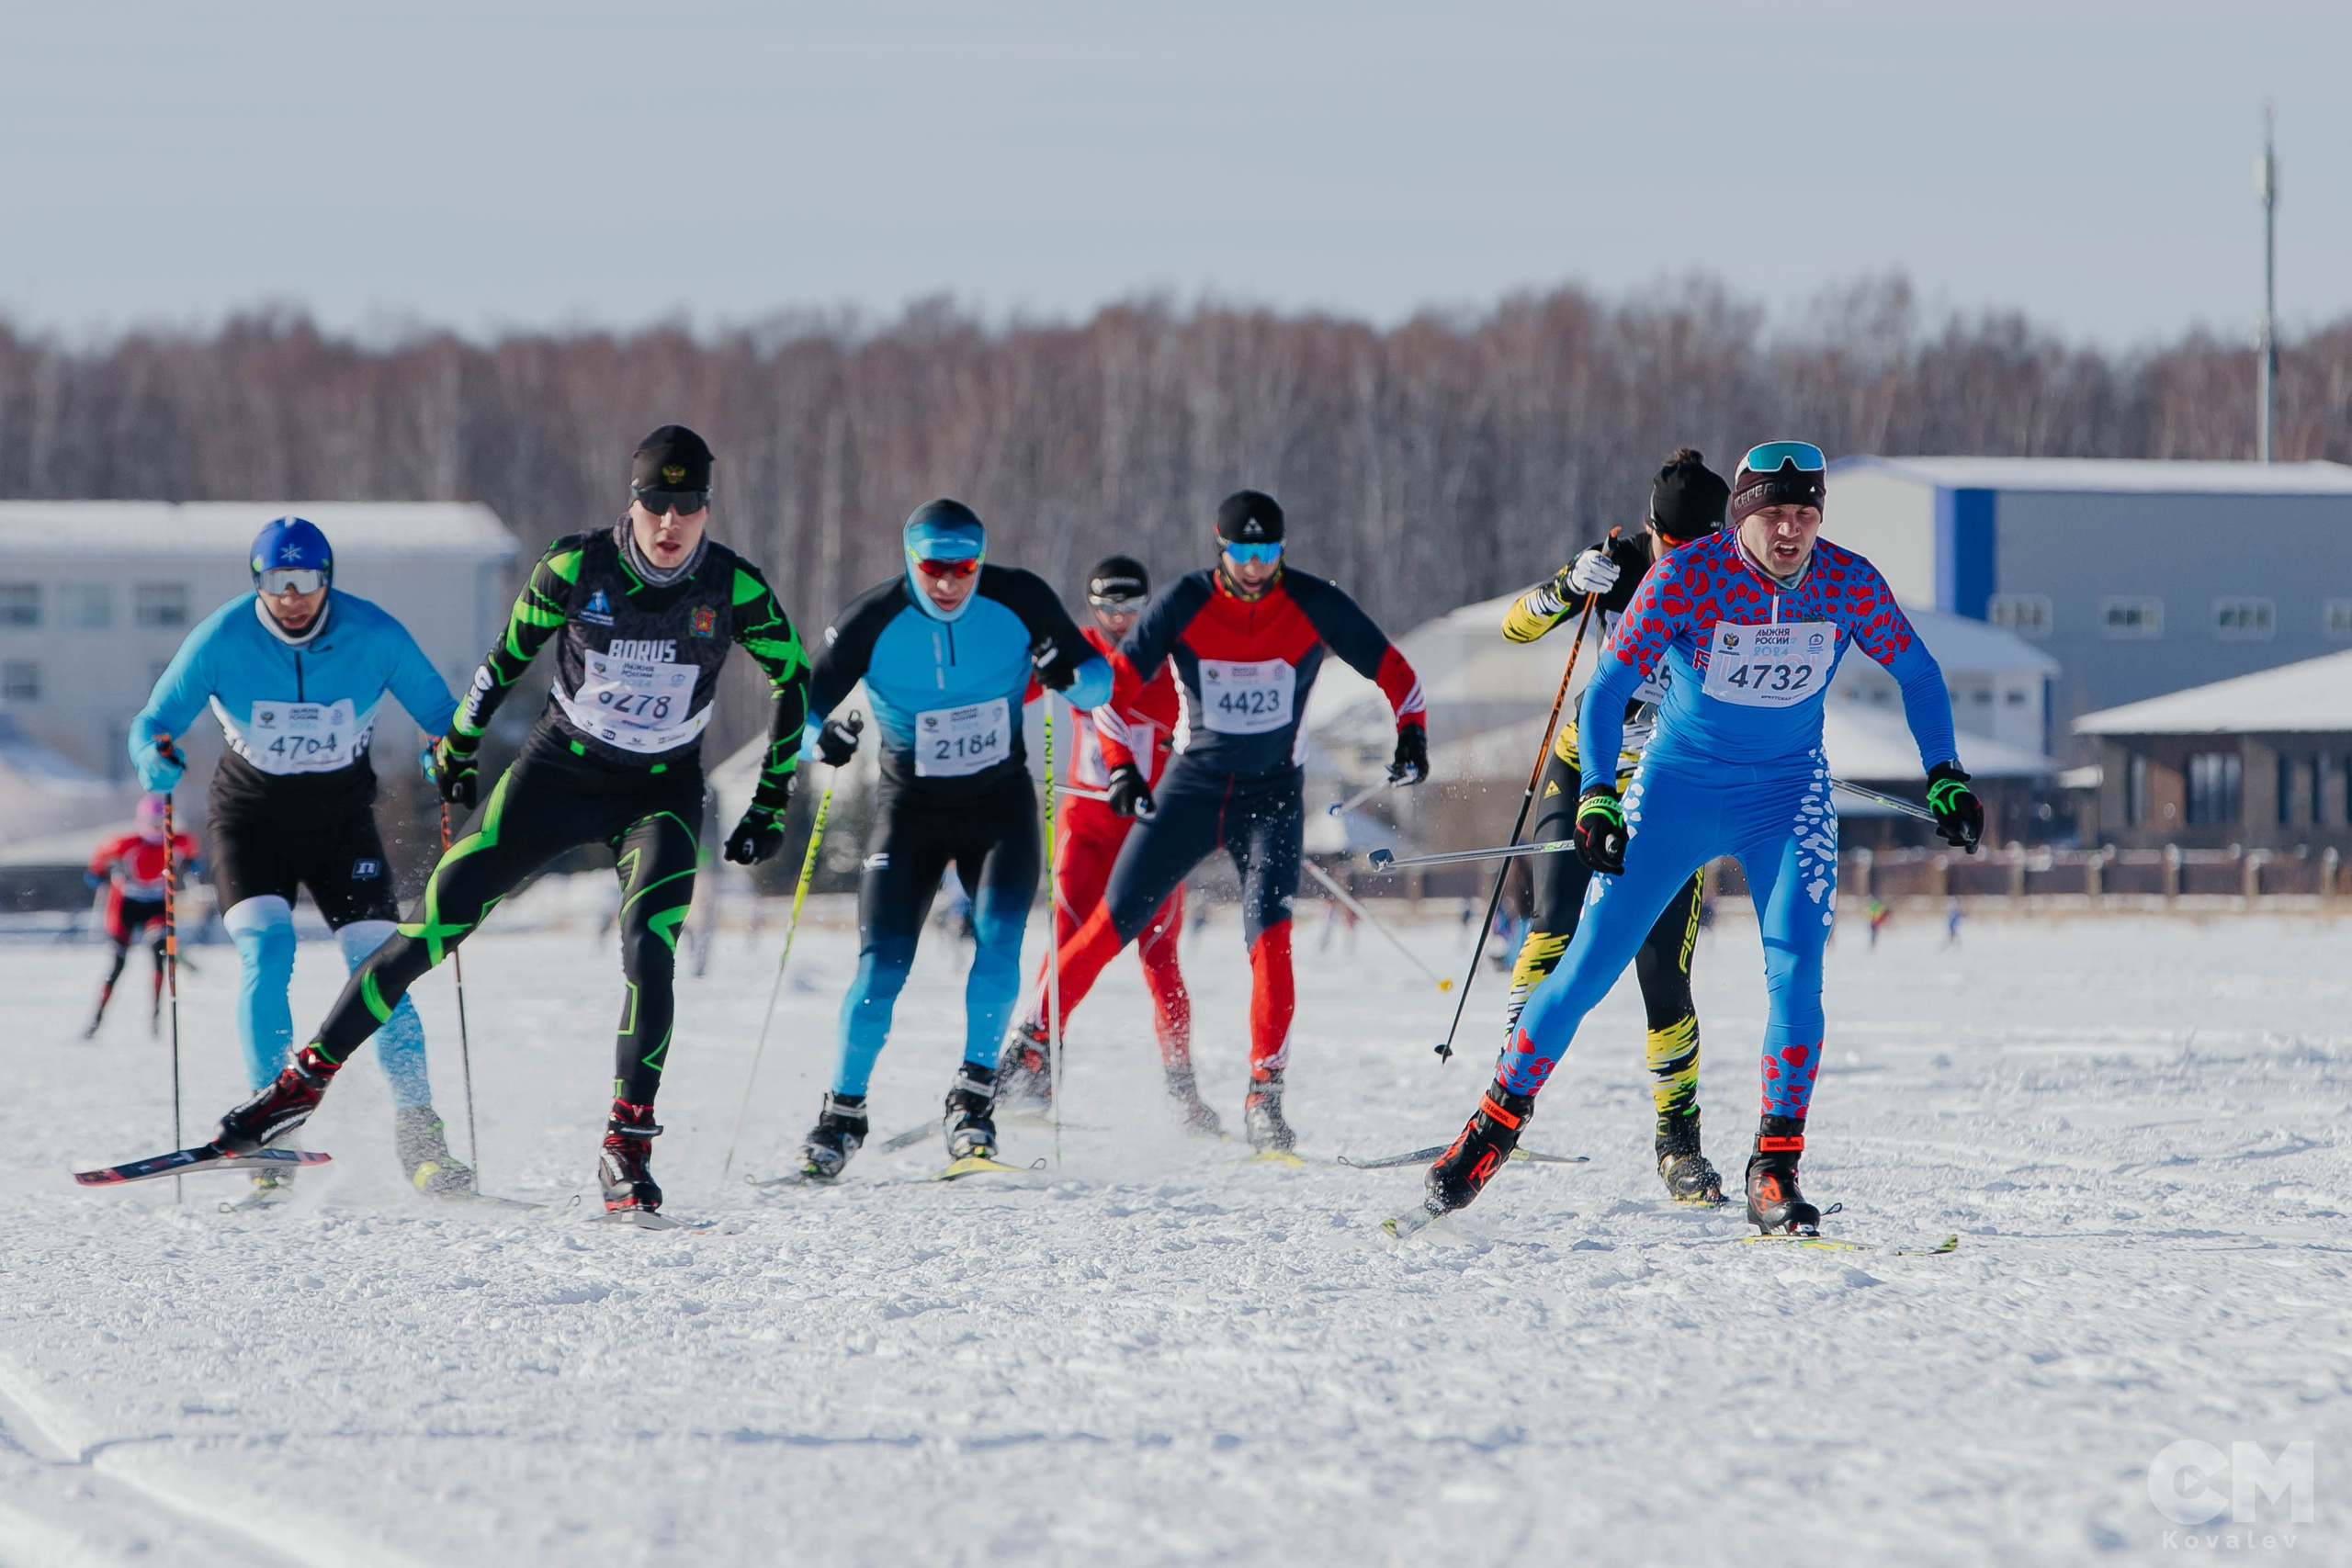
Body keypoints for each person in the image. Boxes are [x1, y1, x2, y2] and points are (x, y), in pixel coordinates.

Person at [200, 425, 811, 1217]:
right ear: (633, 501)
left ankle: (626, 1147)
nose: (670, 523)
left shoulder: (734, 588)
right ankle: (298, 1086)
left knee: (650, 947)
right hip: (558, 774)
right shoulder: (575, 565)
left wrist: (770, 799)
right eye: (657, 502)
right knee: (431, 930)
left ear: (705, 508)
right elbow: (505, 658)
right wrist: (458, 743)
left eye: (687, 506)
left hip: (656, 790)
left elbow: (793, 679)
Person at [1421, 441, 1983, 1235]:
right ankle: (1492, 1128)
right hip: (1678, 790)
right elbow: (1610, 687)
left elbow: (1918, 673)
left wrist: (1945, 771)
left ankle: (1774, 1168)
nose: (1791, 530)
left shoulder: (1848, 580)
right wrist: (1597, 799)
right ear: (1741, 516)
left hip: (1787, 798)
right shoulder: (1687, 576)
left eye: (1806, 512)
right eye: (1774, 513)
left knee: (1797, 972)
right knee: (1586, 964)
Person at [1023, 490, 1430, 1152]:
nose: (1253, 566)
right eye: (1241, 552)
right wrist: (1123, 766)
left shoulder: (1311, 600)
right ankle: (1031, 1051)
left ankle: (1264, 1097)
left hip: (1270, 798)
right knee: (1112, 919)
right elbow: (1111, 692)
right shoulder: (1185, 600)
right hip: (1193, 787)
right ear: (1221, 549)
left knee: (1270, 942)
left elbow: (1396, 670)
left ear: (1281, 550)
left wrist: (1411, 732)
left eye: (1266, 552)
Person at [130, 516, 469, 1198]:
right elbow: (154, 722)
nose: (293, 597)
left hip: (341, 825)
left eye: (307, 580)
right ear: (258, 583)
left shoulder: (374, 633)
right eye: (278, 582)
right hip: (250, 823)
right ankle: (270, 1131)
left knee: (383, 967)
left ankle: (421, 1136)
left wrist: (446, 754)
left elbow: (445, 713)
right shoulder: (223, 637)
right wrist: (152, 757)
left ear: (327, 579)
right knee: (268, 950)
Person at [793, 501, 1110, 1179]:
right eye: (933, 567)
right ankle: (842, 1114)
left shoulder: (1019, 597)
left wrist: (1066, 672)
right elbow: (796, 709)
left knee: (999, 945)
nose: (948, 582)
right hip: (909, 808)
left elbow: (1099, 682)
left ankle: (973, 1100)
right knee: (881, 968)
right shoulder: (872, 618)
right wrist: (823, 739)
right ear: (911, 560)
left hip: (999, 806)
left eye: (963, 566)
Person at [1492, 448, 1733, 1202]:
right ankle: (1504, 1100)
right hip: (1586, 772)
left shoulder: (1734, 579)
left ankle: (1679, 1144)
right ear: (1651, 531)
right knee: (1552, 923)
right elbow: (1514, 630)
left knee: (1664, 975)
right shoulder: (1621, 563)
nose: (1679, 565)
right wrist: (1565, 586)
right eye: (1669, 549)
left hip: (1668, 790)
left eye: (1697, 551)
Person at [1000, 555, 1212, 1131]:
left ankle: (1183, 1092)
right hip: (1087, 831)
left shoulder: (1169, 660)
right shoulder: (1079, 649)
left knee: (1161, 961)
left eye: (1131, 607)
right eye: (1106, 607)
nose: (1119, 620)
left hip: (1151, 836)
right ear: (1090, 607)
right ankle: (1034, 1068)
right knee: (1065, 942)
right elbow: (1005, 693)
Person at [82, 795, 199, 1039]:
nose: (158, 829)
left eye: (163, 822)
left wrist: (192, 865)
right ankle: (96, 1020)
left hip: (156, 904)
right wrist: (98, 875)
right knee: (118, 965)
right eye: (153, 823)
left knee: (159, 954)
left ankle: (155, 1019)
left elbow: (192, 855)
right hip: (126, 905)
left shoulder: (178, 842)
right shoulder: (125, 844)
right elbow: (99, 859)